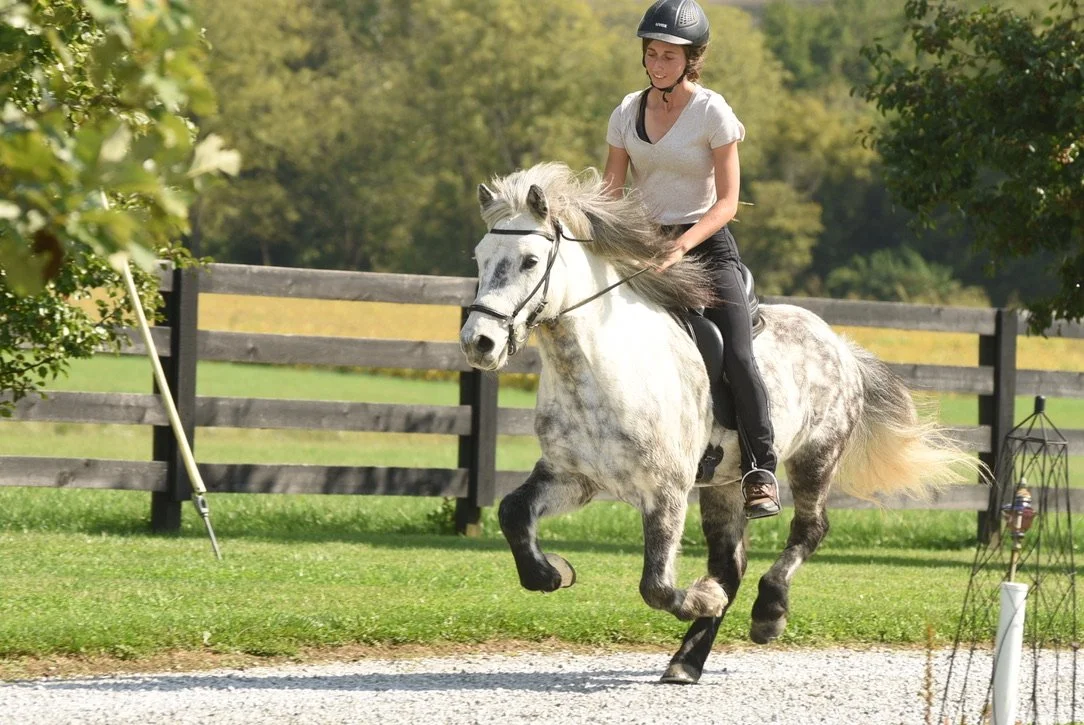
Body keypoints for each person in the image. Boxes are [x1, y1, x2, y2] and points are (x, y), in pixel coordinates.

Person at [602, 0, 780, 519]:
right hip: (646, 244)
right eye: (652, 54)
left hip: (705, 245)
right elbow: (612, 194)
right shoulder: (625, 112)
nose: (657, 64)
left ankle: (760, 470)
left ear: (690, 59)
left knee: (737, 355)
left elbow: (727, 202)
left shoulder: (712, 112)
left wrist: (682, 244)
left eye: (669, 56)